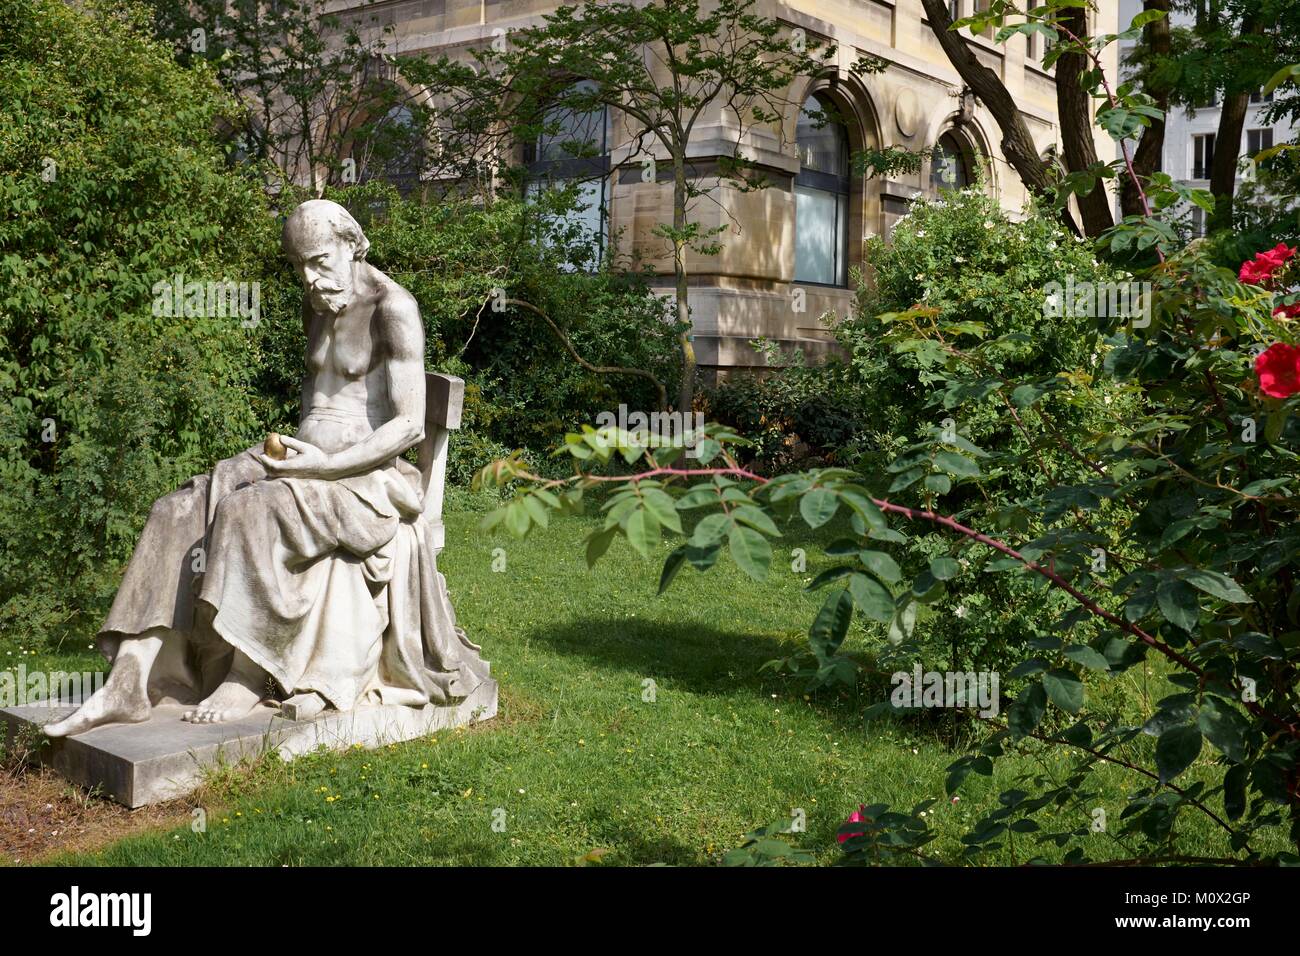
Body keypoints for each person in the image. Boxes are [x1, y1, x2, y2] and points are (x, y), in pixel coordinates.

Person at [45, 199, 488, 737]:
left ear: (352, 244)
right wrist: (286, 456)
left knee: (246, 510)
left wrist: (324, 466)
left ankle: (247, 673)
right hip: (303, 459)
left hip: (364, 478)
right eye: (299, 265)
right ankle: (131, 677)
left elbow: (408, 427)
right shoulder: (317, 302)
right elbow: (318, 402)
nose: (309, 276)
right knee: (176, 509)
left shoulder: (392, 307)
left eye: (320, 260)